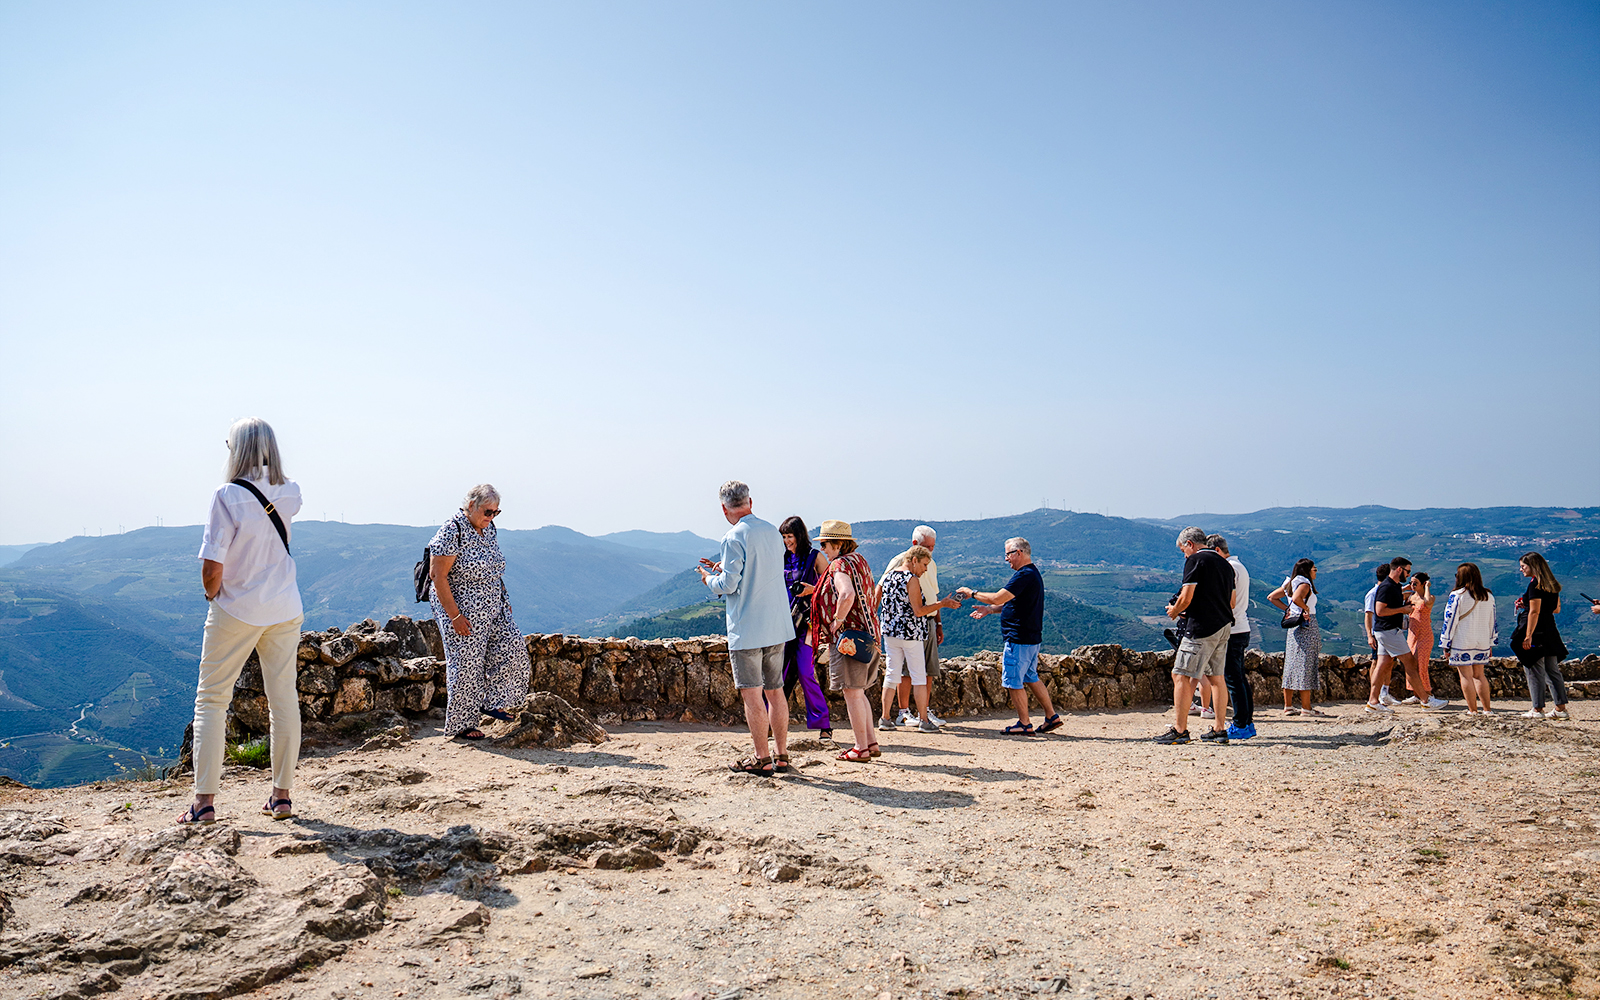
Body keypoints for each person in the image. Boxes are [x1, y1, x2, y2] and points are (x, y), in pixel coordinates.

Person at [180, 417, 305, 825]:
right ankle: (282, 797)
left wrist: (211, 595)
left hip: (236, 607)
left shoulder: (227, 495)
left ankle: (204, 803)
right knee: (283, 698)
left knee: (212, 700)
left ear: (237, 449)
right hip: (285, 606)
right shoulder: (291, 492)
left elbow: (212, 565)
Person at [698, 482, 795, 776]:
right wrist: (724, 568)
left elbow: (729, 585)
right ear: (750, 501)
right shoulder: (772, 533)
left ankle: (761, 757)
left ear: (724, 507)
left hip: (748, 628)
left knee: (753, 696)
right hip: (777, 625)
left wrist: (708, 580)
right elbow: (762, 571)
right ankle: (781, 755)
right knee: (776, 692)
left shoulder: (732, 537)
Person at [428, 484, 533, 742]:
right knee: (466, 664)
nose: (491, 517)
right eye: (488, 511)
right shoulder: (452, 531)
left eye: (496, 512)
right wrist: (454, 616)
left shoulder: (489, 530)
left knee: (513, 648)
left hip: (494, 606)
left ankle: (493, 701)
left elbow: (494, 569)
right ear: (471, 506)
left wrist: (503, 598)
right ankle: (463, 725)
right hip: (460, 608)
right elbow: (437, 576)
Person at [958, 537, 1063, 736]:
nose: (1006, 559)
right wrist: (990, 610)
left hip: (1018, 638)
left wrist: (971, 593)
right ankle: (1051, 716)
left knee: (1014, 681)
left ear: (1019, 553)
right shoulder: (1032, 574)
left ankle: (1024, 723)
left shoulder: (1024, 575)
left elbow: (999, 597)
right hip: (1031, 638)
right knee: (1031, 677)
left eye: (1008, 554)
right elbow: (1012, 603)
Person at [1152, 527, 1233, 745]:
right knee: (1217, 678)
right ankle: (1219, 729)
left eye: (1183, 550)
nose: (1184, 555)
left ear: (1189, 544)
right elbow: (1231, 602)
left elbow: (1187, 596)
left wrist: (1175, 611)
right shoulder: (1225, 564)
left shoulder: (1196, 561)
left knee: (1181, 676)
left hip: (1201, 628)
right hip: (1224, 626)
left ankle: (1180, 729)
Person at [810, 520, 883, 762]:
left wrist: (837, 620)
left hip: (850, 638)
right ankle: (871, 743)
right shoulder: (859, 560)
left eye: (826, 545)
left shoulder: (839, 564)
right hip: (870, 634)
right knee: (860, 692)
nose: (823, 550)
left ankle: (860, 748)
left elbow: (847, 593)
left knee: (851, 692)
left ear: (838, 544)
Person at [876, 545, 960, 733]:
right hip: (910, 634)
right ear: (914, 560)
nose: (925, 569)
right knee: (919, 676)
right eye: (924, 564)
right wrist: (942, 604)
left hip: (890, 634)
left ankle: (885, 718)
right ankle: (924, 720)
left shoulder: (888, 577)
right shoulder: (911, 580)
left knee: (891, 674)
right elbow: (919, 611)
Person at [779, 516, 832, 741]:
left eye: (790, 536)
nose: (787, 541)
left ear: (799, 535)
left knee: (805, 672)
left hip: (806, 625)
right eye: (783, 537)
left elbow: (832, 584)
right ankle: (772, 721)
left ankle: (823, 724)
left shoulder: (815, 557)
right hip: (782, 623)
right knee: (776, 674)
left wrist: (813, 590)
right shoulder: (780, 558)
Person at [1268, 559, 1330, 718]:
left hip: (1293, 626)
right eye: (1314, 569)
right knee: (1306, 664)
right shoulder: (1304, 585)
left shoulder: (1291, 583)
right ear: (1307, 570)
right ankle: (1306, 708)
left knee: (1291, 664)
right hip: (1306, 625)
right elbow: (1296, 598)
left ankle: (1288, 706)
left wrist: (1289, 610)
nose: (1316, 572)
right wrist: (1305, 608)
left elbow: (1272, 597)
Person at [1208, 535, 1256, 739]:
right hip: (1241, 627)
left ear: (1217, 551)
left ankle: (1240, 725)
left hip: (1232, 629)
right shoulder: (1239, 566)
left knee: (1232, 679)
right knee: (1239, 678)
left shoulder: (1229, 568)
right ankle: (1246, 722)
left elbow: (1227, 600)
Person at [1514, 552, 1571, 721]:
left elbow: (1535, 611)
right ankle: (1560, 708)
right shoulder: (1553, 585)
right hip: (1550, 630)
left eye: (1523, 566)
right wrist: (1529, 603)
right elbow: (1556, 609)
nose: (1521, 569)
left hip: (1537, 632)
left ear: (1533, 566)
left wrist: (1528, 636)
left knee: (1533, 668)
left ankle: (1537, 709)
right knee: (1552, 670)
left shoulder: (1535, 585)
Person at [1440, 562, 1497, 715]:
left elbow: (1450, 621)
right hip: (1482, 640)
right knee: (1479, 675)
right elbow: (1492, 621)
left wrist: (1446, 643)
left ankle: (1472, 710)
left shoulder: (1457, 596)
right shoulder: (1488, 596)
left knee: (1465, 675)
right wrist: (1491, 641)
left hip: (1462, 641)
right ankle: (1487, 709)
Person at [1369, 558, 1424, 713]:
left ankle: (1373, 701)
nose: (1408, 574)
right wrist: (1403, 610)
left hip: (1385, 630)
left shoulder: (1393, 586)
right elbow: (1379, 611)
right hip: (1389, 630)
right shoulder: (1387, 587)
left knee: (1382, 666)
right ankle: (1426, 699)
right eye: (1408, 571)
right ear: (1399, 569)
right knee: (1410, 663)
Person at [1403, 573, 1446, 709]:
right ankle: (1417, 694)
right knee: (1411, 664)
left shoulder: (1430, 597)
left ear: (1423, 583)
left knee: (1421, 664)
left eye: (1415, 583)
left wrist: (1427, 587)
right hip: (1412, 634)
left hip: (1425, 635)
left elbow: (1427, 602)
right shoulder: (1410, 597)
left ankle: (1427, 694)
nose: (1413, 585)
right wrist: (1406, 587)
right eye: (1411, 583)